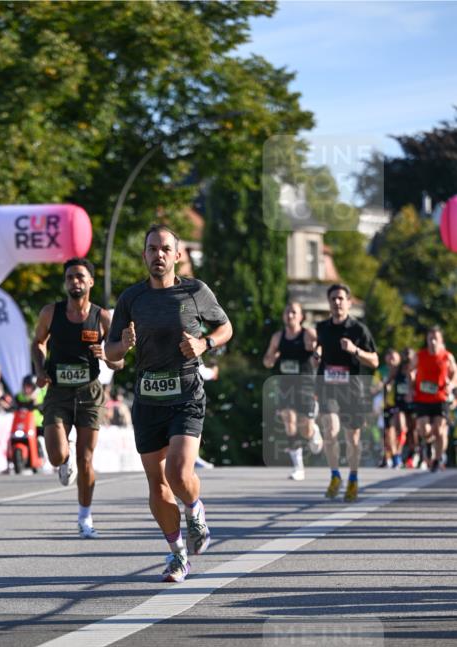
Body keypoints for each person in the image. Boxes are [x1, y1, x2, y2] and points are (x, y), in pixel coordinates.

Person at [106, 223, 232, 583]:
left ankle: (194, 510)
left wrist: (204, 344)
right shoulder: (131, 298)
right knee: (157, 485)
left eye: (164, 249)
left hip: (186, 393)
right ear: (144, 255)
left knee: (178, 472)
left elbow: (226, 328)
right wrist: (123, 344)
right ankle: (177, 554)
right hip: (148, 399)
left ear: (177, 255)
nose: (157, 255)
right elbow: (111, 350)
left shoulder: (196, 291)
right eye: (151, 249)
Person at [32, 258, 122, 538]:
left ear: (91, 282)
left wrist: (106, 355)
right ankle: (64, 460)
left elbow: (119, 362)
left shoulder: (103, 317)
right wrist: (40, 370)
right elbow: (37, 342)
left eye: (80, 277)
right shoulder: (51, 312)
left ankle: (85, 517)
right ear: (65, 282)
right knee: (57, 454)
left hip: (89, 393)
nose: (75, 281)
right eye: (70, 277)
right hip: (58, 390)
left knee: (86, 459)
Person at [315, 284, 379, 502]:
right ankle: (335, 475)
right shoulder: (321, 327)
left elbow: (375, 360)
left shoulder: (359, 330)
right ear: (329, 302)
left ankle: (353, 477)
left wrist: (355, 350)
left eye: (341, 298)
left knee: (352, 438)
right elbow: (322, 347)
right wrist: (318, 352)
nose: (337, 302)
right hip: (327, 386)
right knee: (330, 431)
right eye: (333, 298)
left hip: (351, 390)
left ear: (349, 302)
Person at [262, 301, 322, 481]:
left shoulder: (308, 334)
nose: (290, 316)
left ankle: (314, 432)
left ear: (301, 316)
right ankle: (298, 467)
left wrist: (317, 352)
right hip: (285, 386)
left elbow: (321, 348)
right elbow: (267, 361)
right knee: (289, 422)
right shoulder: (278, 337)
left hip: (305, 385)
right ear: (283, 315)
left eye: (294, 313)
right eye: (287, 312)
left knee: (305, 428)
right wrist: (272, 358)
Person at [413, 326, 457, 472]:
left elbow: (455, 373)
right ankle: (428, 443)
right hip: (422, 398)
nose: (432, 342)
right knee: (423, 429)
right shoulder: (419, 355)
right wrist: (410, 384)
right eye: (430, 338)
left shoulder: (447, 356)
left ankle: (437, 460)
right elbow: (410, 371)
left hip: (440, 398)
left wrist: (451, 384)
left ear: (440, 341)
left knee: (439, 429)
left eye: (435, 339)